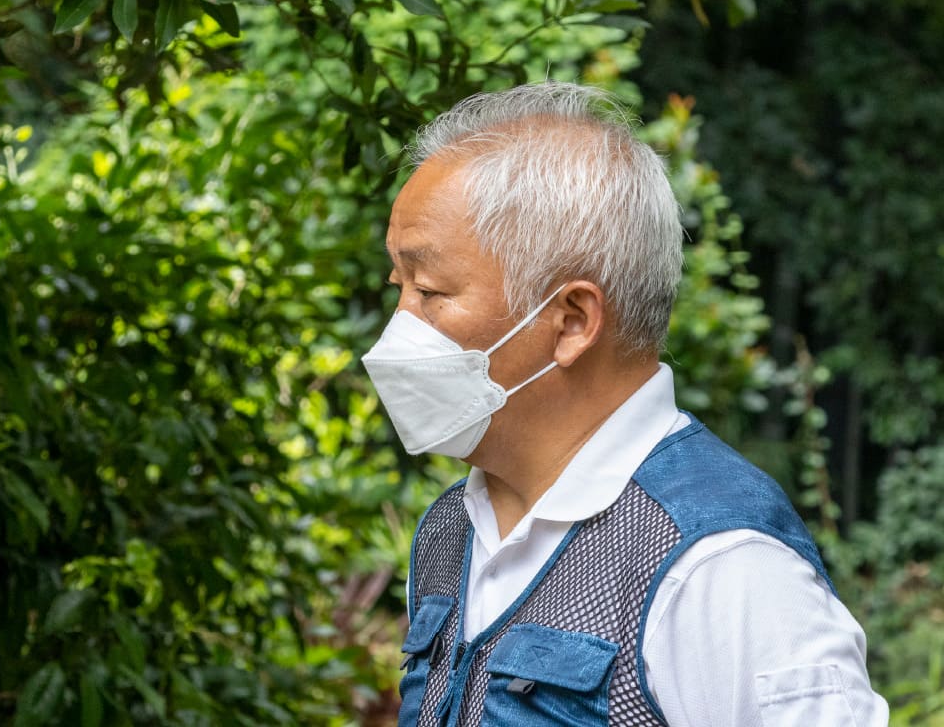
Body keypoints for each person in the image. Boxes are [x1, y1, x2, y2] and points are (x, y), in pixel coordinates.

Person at [361, 82, 888, 726]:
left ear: (573, 320)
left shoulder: (718, 564)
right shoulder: (448, 533)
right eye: (399, 286)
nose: (398, 329)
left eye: (429, 290)